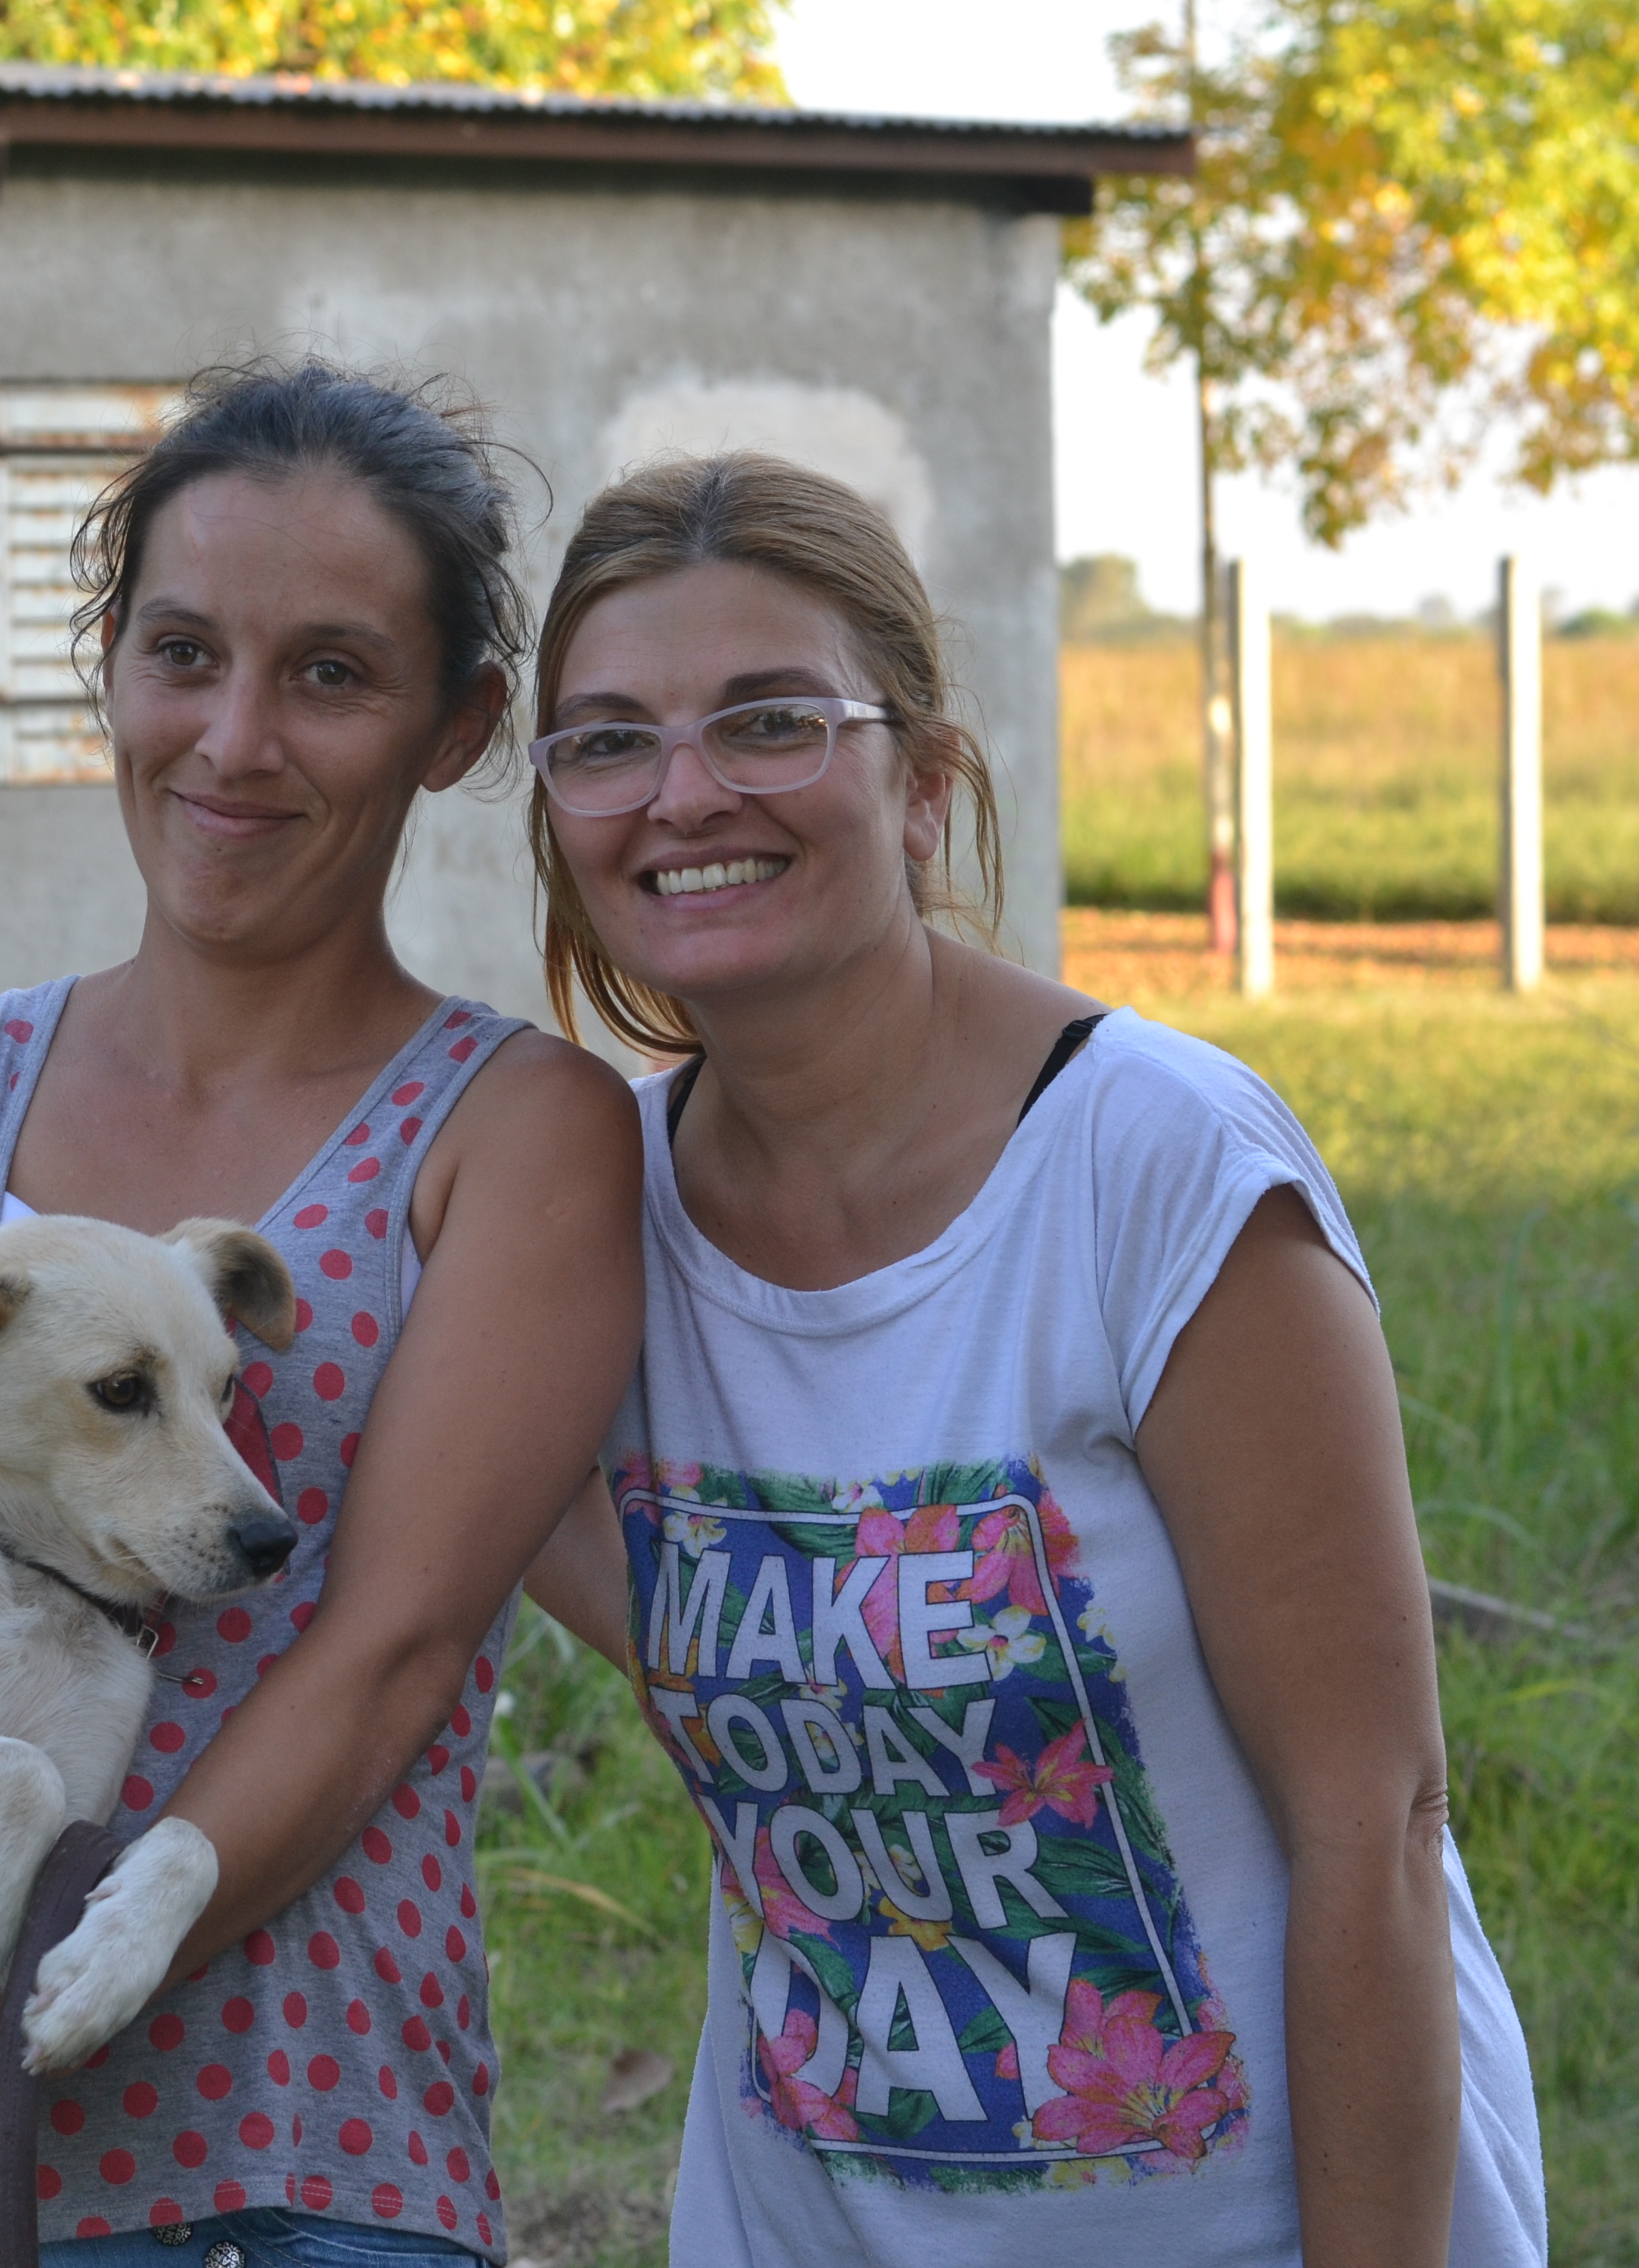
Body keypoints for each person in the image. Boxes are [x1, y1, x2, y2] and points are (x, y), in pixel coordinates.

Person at [0, 362, 642, 2265]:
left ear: (459, 727)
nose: (232, 740)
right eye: (181, 653)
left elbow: (386, 1653)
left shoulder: (510, 1132)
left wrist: (17, 1990)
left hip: (275, 2132)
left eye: (330, 674)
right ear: (111, 668)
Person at [511, 453, 1548, 2266]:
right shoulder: (584, 1222)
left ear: (923, 786)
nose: (683, 794)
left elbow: (1372, 1823)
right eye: (606, 741)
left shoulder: (1154, 1169)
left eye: (769, 721)